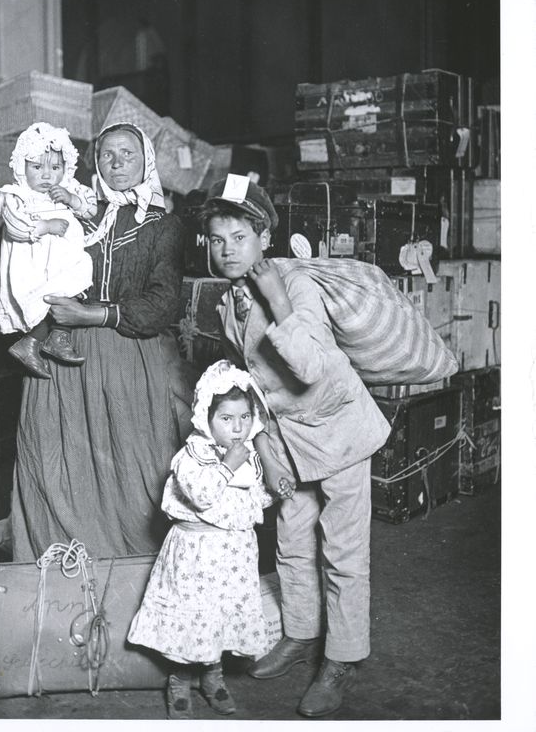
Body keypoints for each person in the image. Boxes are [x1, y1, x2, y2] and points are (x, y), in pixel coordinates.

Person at [199, 174, 392, 717]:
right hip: (288, 440)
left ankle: (343, 658)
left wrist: (278, 297)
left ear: (264, 236)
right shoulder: (227, 300)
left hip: (339, 431)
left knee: (343, 552)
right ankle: (302, 634)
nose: (227, 250)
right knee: (290, 541)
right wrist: (264, 452)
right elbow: (250, 386)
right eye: (217, 240)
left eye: (239, 237)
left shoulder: (296, 283)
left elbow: (307, 365)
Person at [10, 121, 186, 561]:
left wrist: (92, 313)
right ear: (95, 163)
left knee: (131, 466)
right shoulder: (76, 213)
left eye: (128, 154)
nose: (117, 163)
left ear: (147, 161)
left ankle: (132, 572)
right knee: (55, 458)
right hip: (60, 354)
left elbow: (164, 302)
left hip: (125, 353)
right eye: (108, 155)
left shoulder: (164, 226)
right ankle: (58, 566)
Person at [127, 360, 284, 719]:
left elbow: (250, 499)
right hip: (196, 555)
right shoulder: (192, 456)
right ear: (206, 417)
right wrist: (227, 465)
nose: (237, 428)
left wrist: (273, 490)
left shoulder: (248, 456)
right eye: (226, 419)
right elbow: (202, 495)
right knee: (193, 618)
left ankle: (213, 677)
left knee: (220, 617)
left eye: (244, 418)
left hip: (233, 554)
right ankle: (180, 679)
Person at [0, 122, 96, 378]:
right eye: (37, 167)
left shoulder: (69, 189)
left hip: (66, 260)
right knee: (45, 298)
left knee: (74, 285)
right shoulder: (16, 195)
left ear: (66, 168)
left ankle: (57, 337)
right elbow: (15, 227)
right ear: (22, 167)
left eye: (55, 167)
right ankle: (31, 341)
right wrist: (45, 225)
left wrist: (72, 200)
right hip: (34, 264)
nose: (47, 175)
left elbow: (91, 209)